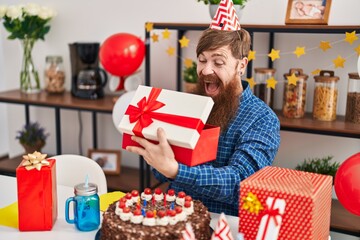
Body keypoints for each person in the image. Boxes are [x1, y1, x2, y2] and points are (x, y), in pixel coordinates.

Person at [126, 9, 280, 216]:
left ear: (241, 65)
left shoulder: (262, 119)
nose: (206, 70)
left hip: (225, 224)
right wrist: (154, 152)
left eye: (218, 62)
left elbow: (240, 183)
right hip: (176, 216)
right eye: (202, 60)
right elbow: (163, 172)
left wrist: (176, 171)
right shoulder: (187, 105)